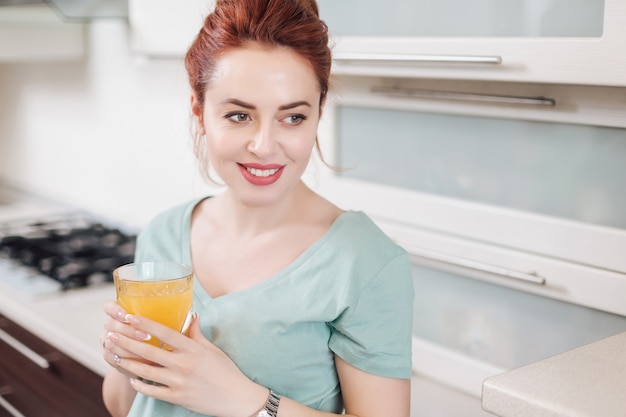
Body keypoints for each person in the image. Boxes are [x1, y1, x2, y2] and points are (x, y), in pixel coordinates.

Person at [100, 0, 414, 416]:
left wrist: (246, 400)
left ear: (319, 111)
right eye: (238, 115)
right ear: (199, 111)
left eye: (293, 118)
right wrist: (125, 357)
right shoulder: (162, 233)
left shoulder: (365, 262)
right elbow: (127, 405)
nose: (264, 147)